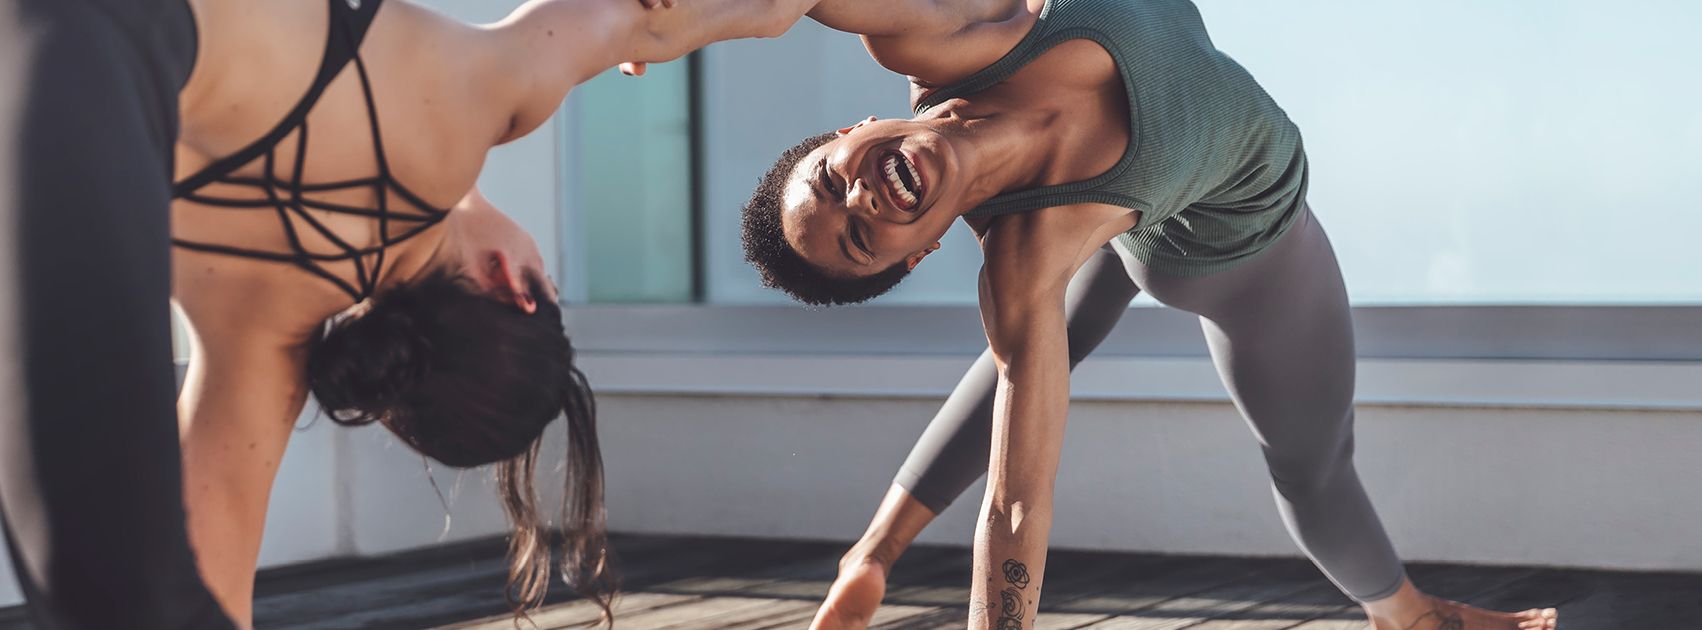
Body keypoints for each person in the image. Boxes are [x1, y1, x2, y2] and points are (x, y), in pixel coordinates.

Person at [741, 1, 1561, 628]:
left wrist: (634, 26)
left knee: (1049, 336)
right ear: (915, 255)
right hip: (1225, 249)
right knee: (1312, 463)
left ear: (848, 131)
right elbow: (1017, 502)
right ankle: (1409, 615)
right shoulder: (1025, 261)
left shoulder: (950, 27)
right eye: (861, 240)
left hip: (1118, 195)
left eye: (829, 179)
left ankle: (872, 554)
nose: (865, 198)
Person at [1, 0, 815, 626]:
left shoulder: (487, 101)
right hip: (46, 105)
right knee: (112, 590)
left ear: (518, 284)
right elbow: (218, 587)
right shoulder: (264, 345)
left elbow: (655, 22)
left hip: (86, 55)